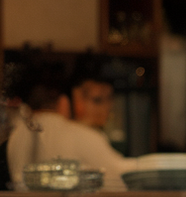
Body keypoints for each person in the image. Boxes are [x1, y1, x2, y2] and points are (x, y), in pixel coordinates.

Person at [7, 61, 135, 189]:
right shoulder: (83, 136)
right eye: (97, 100)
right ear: (65, 102)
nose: (108, 108)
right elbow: (121, 183)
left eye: (109, 100)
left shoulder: (15, 137)